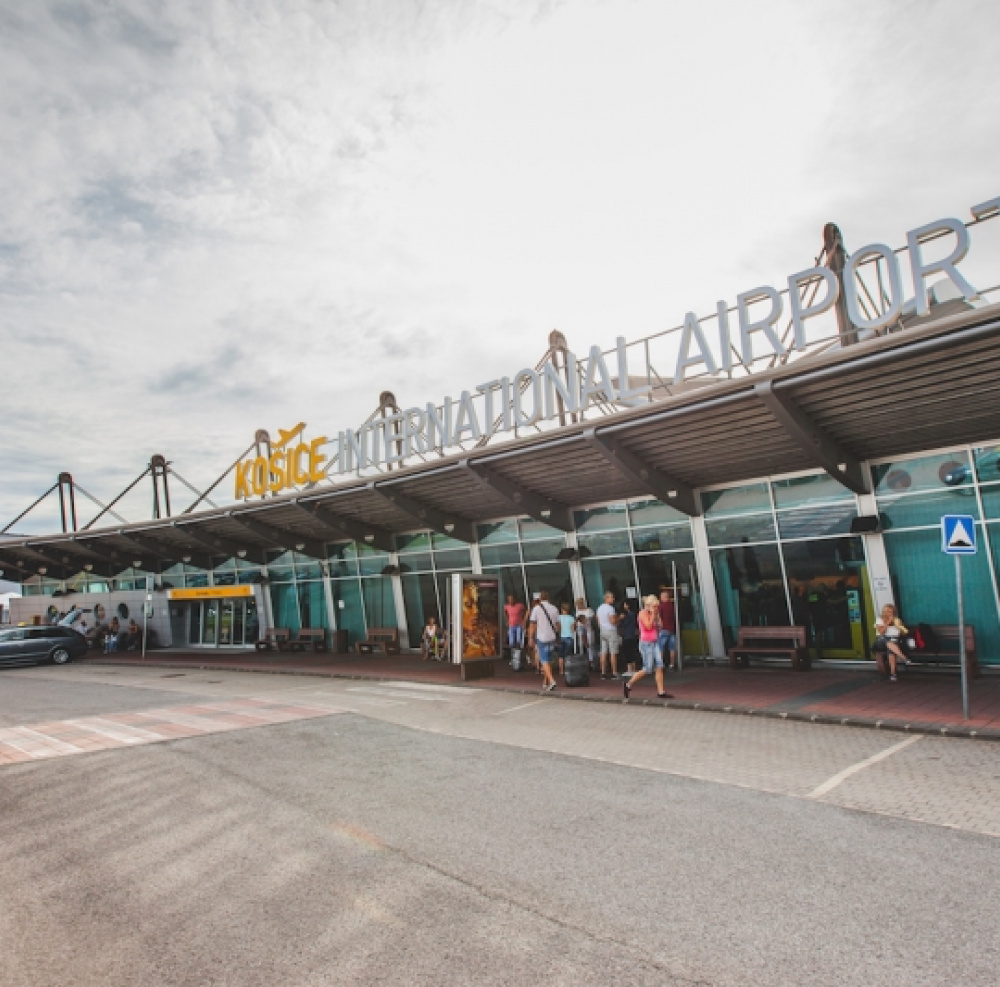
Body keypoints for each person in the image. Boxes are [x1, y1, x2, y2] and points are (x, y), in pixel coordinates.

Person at [624, 595, 674, 701]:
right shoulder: (642, 613)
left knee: (660, 666)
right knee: (647, 668)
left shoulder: (655, 613)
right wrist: (652, 615)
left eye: (657, 607)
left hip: (655, 642)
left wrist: (657, 617)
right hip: (646, 643)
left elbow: (660, 626)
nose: (656, 609)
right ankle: (628, 684)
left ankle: (661, 691)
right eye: (654, 606)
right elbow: (648, 626)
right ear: (649, 606)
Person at [528, 590, 560, 693]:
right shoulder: (554, 608)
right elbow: (558, 625)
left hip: (542, 637)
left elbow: (532, 625)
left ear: (540, 599)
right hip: (552, 637)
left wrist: (530, 638)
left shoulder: (536, 609)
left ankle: (551, 680)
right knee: (548, 660)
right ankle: (545, 681)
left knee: (544, 660)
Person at [874, 603, 910, 681]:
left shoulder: (897, 620)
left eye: (892, 612)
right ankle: (904, 658)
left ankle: (893, 674)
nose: (890, 614)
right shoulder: (879, 619)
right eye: (888, 612)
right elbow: (881, 632)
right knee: (888, 642)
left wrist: (900, 627)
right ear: (884, 612)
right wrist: (887, 623)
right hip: (881, 641)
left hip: (895, 641)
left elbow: (904, 633)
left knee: (891, 649)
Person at [595, 591, 620, 679]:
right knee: (613, 652)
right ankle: (614, 672)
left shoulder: (599, 608)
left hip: (602, 631)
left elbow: (598, 623)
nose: (613, 599)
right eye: (611, 597)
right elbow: (613, 621)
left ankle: (603, 672)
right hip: (611, 630)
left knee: (603, 652)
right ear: (606, 598)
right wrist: (619, 618)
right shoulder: (610, 609)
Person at [658, 588, 678, 671]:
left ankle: (660, 666)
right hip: (672, 629)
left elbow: (658, 617)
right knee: (672, 649)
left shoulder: (661, 606)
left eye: (661, 597)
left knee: (661, 648)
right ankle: (672, 665)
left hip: (664, 629)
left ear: (663, 597)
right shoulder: (673, 605)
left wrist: (659, 626)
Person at [575, 597, 597, 670]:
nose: (578, 607)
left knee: (590, 645)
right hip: (581, 630)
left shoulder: (589, 610)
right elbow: (577, 622)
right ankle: (583, 662)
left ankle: (592, 662)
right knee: (582, 645)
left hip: (589, 629)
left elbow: (594, 619)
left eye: (578, 605)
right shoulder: (577, 612)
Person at [618, 599, 639, 672]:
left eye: (625, 604)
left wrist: (620, 619)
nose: (624, 606)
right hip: (630, 634)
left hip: (627, 635)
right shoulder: (633, 614)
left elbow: (623, 624)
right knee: (630, 652)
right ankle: (633, 668)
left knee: (628, 652)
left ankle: (630, 669)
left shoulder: (629, 614)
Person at [558, 601, 576, 677]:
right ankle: (568, 670)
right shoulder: (572, 618)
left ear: (562, 609)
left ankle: (561, 670)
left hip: (561, 637)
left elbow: (558, 628)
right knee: (568, 656)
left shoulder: (558, 617)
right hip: (569, 637)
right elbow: (573, 629)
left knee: (561, 656)